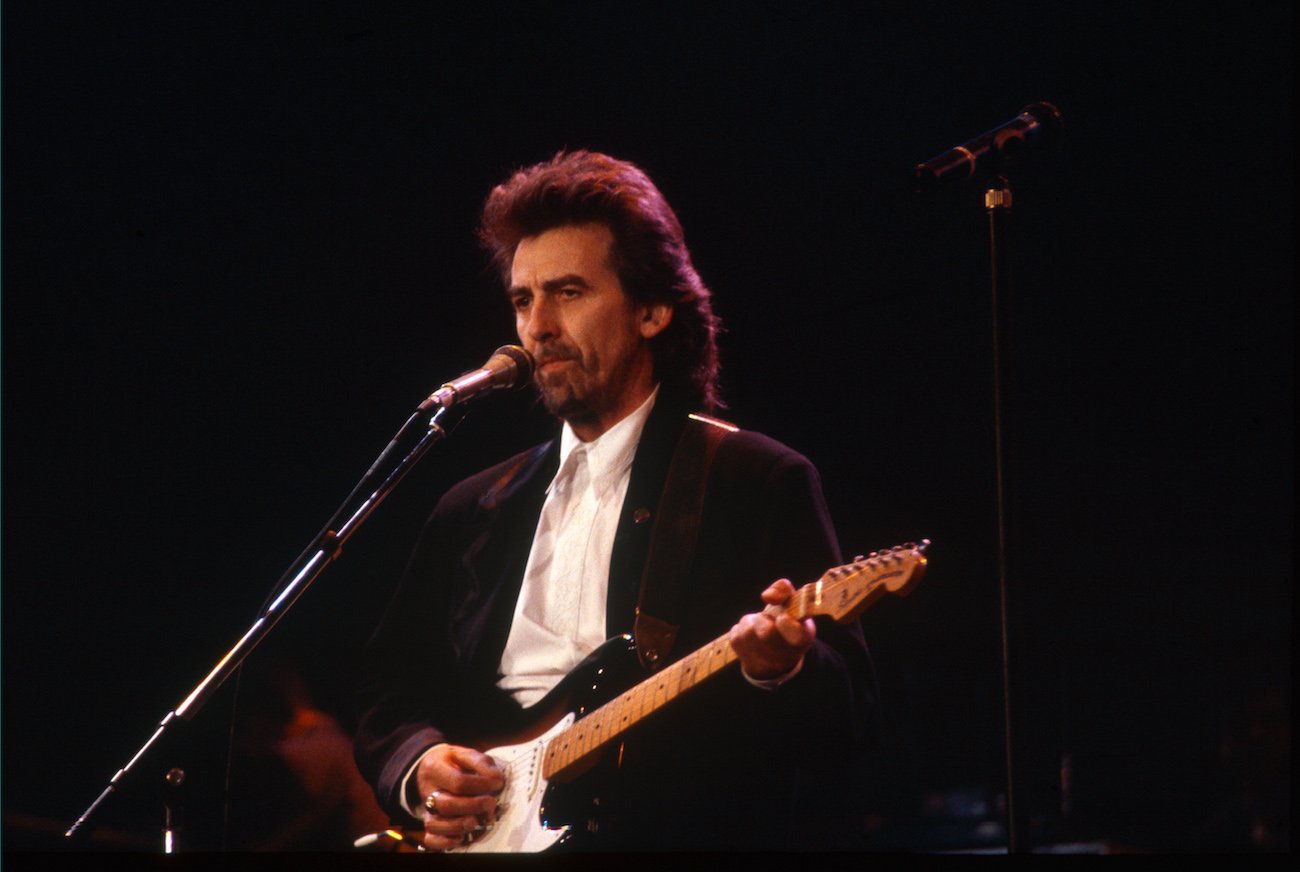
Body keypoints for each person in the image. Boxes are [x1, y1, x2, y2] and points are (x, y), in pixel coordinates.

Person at [353, 150, 876, 852]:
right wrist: (422, 769)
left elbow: (850, 713)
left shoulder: (753, 479)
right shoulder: (474, 506)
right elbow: (390, 689)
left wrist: (780, 668)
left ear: (653, 310)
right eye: (521, 299)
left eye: (568, 292)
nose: (537, 327)